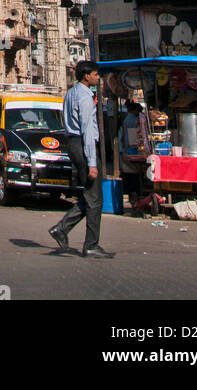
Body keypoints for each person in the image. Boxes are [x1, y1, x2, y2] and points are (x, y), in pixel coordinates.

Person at [48, 60, 113, 258]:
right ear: (87, 76)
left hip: (74, 145)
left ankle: (62, 228)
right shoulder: (84, 97)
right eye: (95, 74)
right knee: (95, 200)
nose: (98, 77)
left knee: (91, 196)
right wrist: (92, 163)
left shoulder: (71, 93)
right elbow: (87, 129)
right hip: (84, 146)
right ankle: (91, 245)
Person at [118, 100, 146, 205]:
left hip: (128, 149)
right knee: (133, 175)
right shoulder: (132, 120)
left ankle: (133, 194)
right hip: (131, 150)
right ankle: (134, 195)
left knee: (131, 175)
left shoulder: (128, 119)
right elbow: (132, 138)